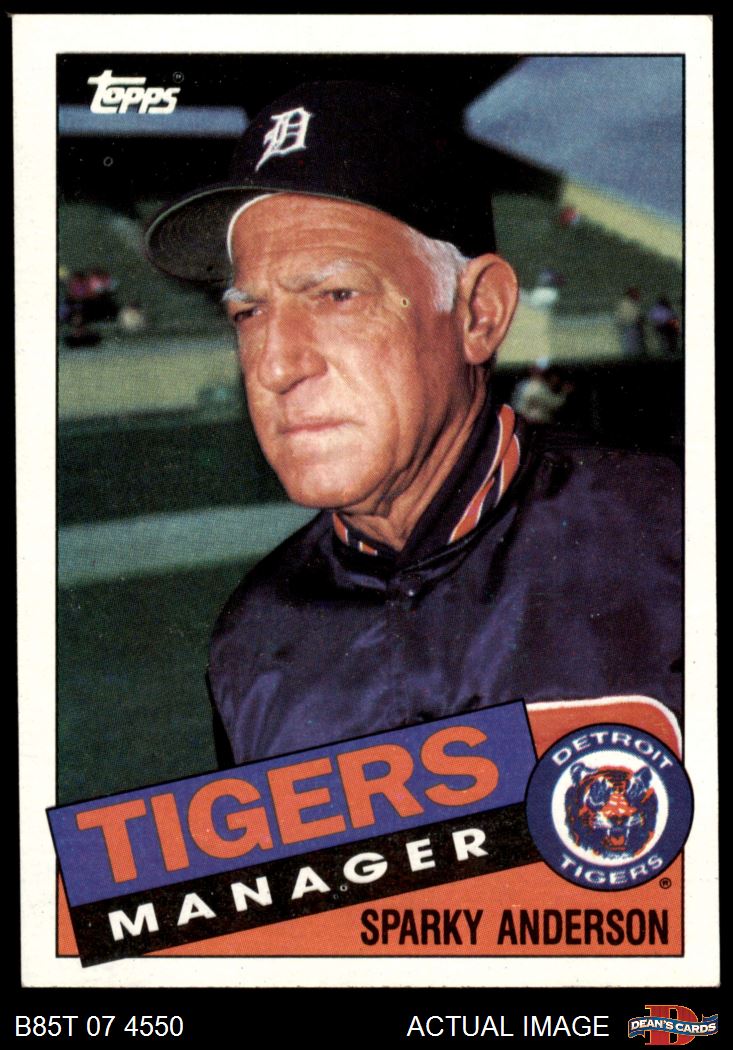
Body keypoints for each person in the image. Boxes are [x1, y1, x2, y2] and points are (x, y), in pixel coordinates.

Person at [146, 81, 681, 767]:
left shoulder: (673, 537)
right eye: (248, 313)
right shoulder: (249, 640)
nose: (276, 365)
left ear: (478, 313)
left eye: (337, 295)